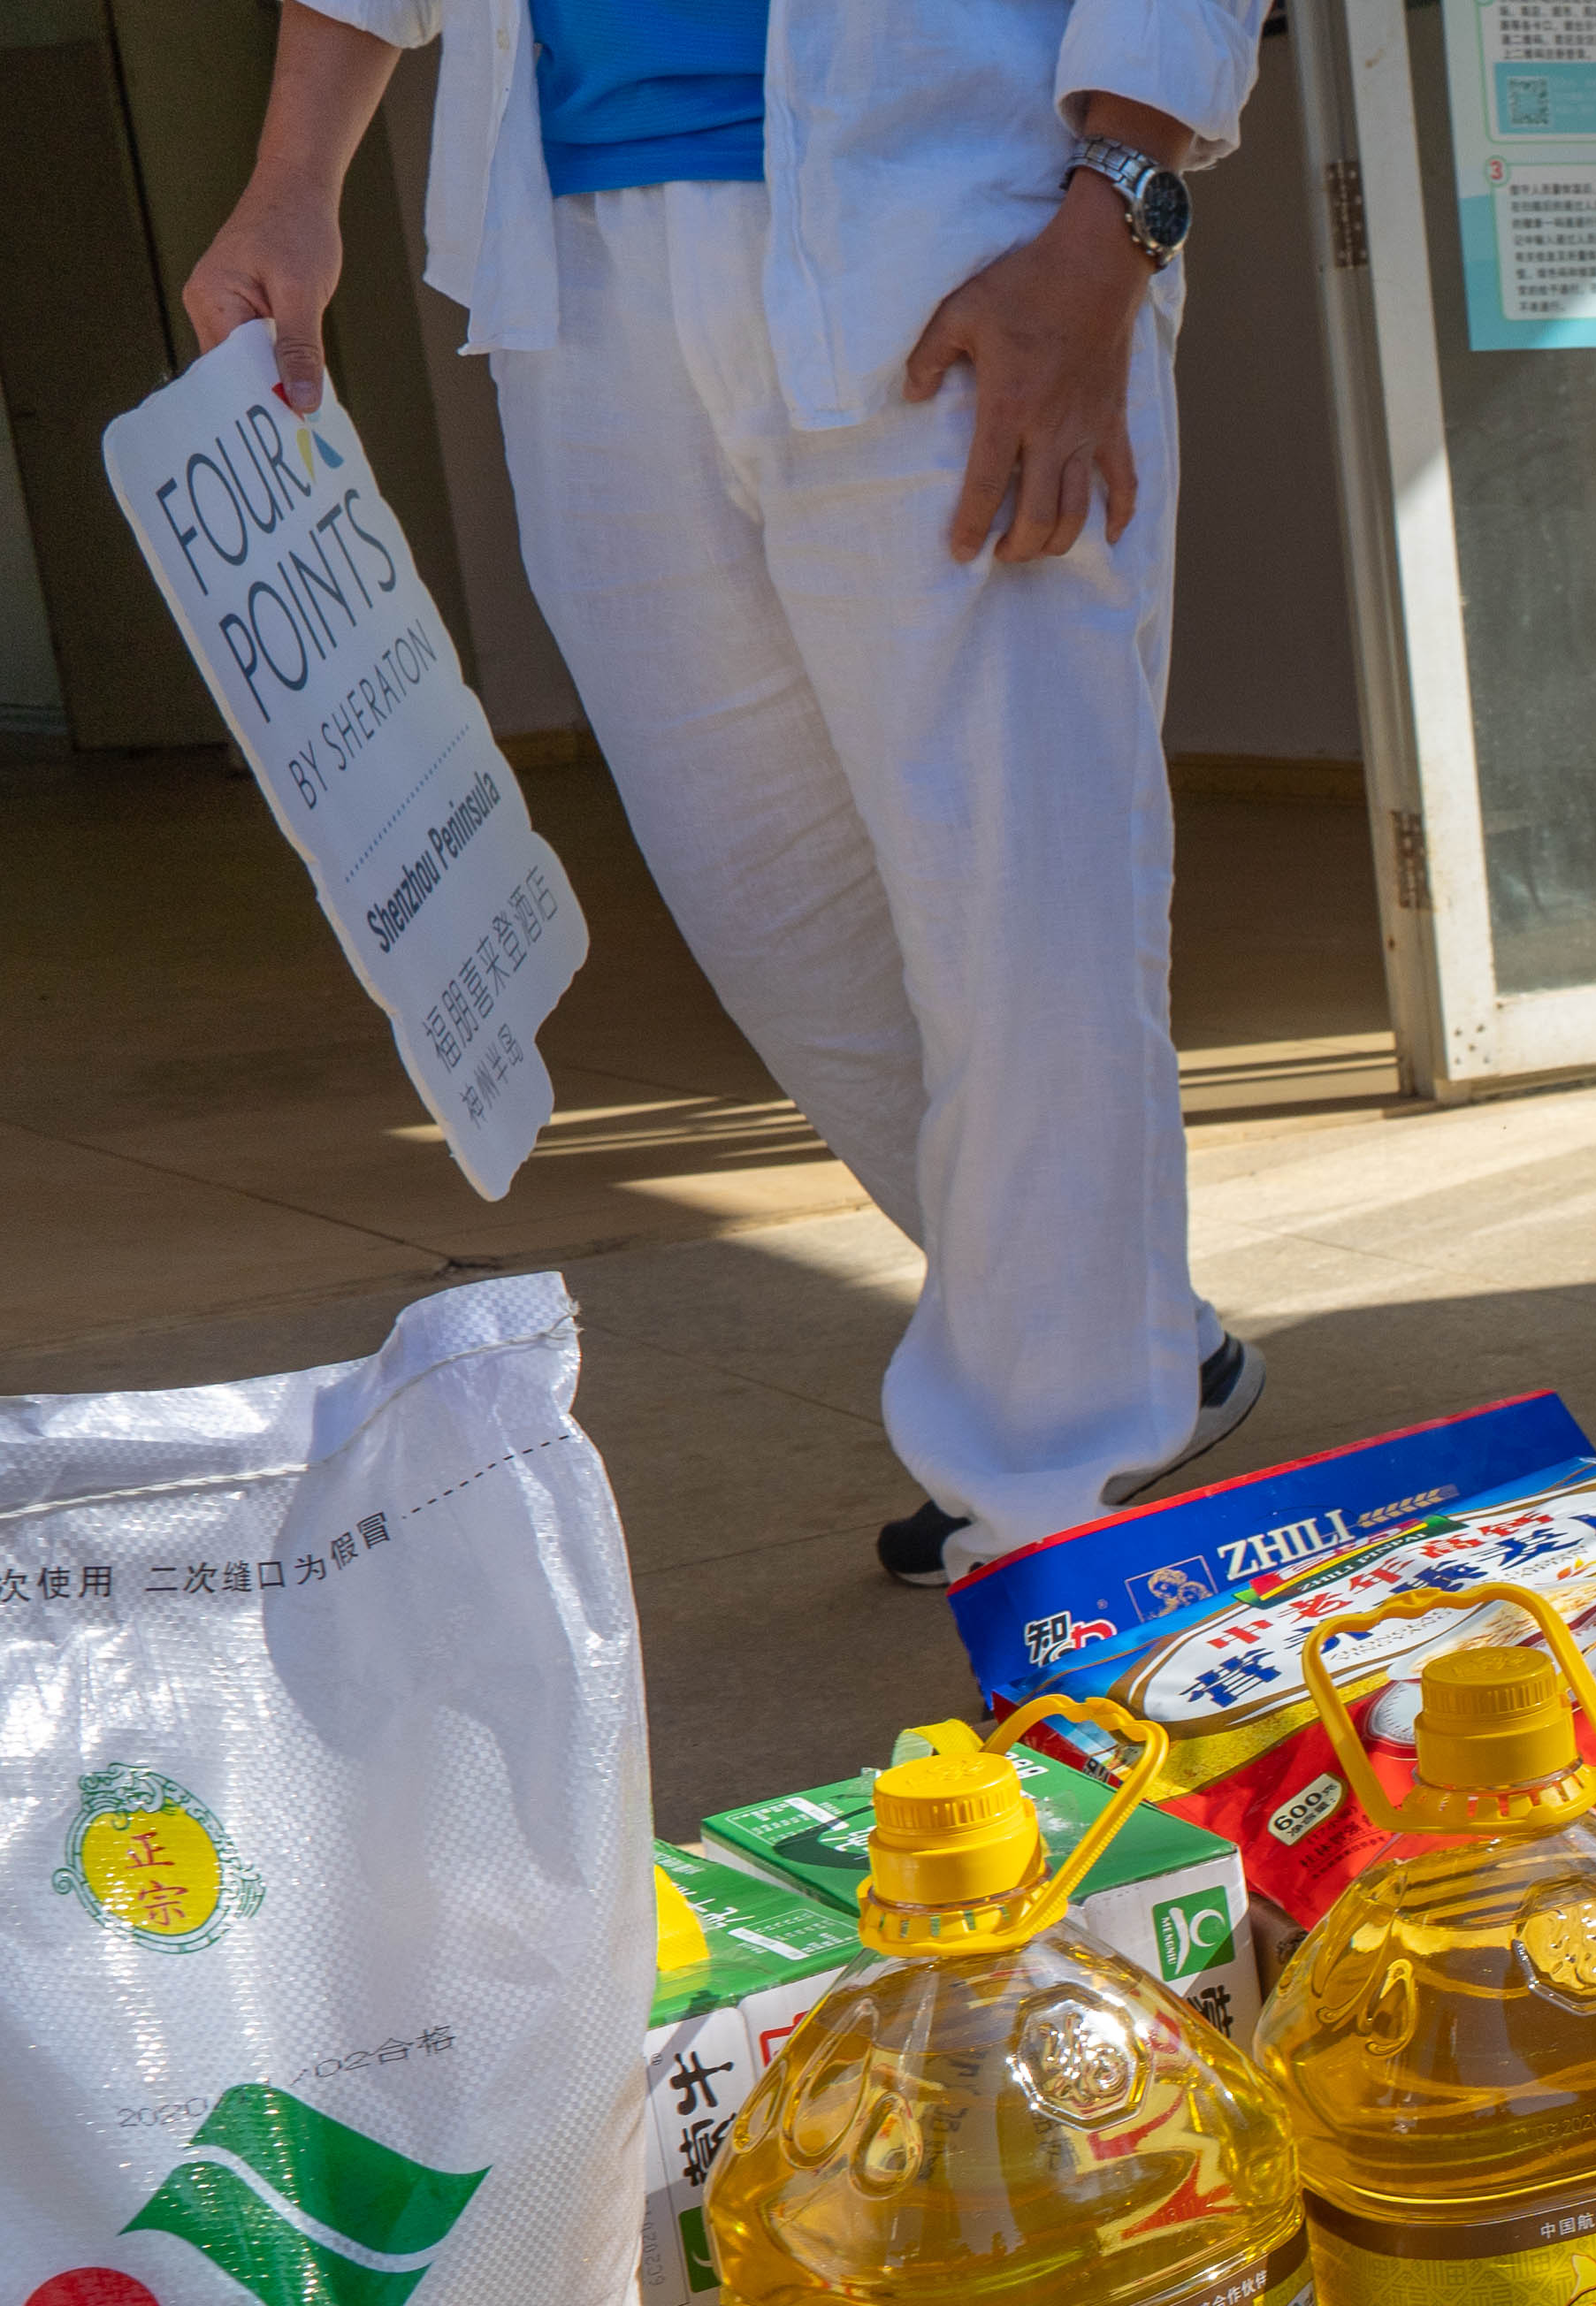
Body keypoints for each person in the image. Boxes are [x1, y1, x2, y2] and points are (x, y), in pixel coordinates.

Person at [187, 0, 1268, 1588]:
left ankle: (1061, 1503)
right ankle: (1136, 1339)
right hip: (582, 259)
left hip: (955, 216)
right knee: (768, 909)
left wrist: (1112, 229)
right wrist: (292, 179)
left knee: (1019, 904)